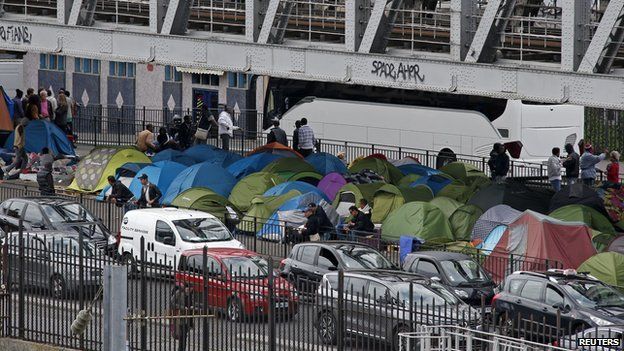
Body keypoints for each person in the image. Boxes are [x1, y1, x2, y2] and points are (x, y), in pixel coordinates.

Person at [169, 282, 194, 351]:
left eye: (191, 290)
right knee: (181, 334)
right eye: (188, 289)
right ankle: (180, 349)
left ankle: (183, 348)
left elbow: (191, 303)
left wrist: (191, 307)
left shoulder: (190, 295)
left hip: (187, 317)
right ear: (185, 288)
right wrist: (182, 307)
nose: (189, 291)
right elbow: (172, 303)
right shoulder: (178, 293)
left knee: (185, 335)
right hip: (179, 316)